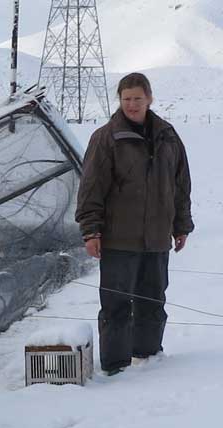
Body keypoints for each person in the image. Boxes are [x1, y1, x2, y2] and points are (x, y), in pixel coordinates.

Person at [76, 72, 193, 376]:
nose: (131, 104)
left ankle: (149, 356)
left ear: (149, 98)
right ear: (120, 100)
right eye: (126, 99)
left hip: (156, 239)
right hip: (118, 239)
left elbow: (180, 185)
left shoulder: (168, 135)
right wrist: (91, 231)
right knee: (116, 304)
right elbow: (91, 188)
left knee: (153, 299)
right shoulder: (106, 137)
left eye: (137, 98)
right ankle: (115, 366)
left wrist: (181, 226)